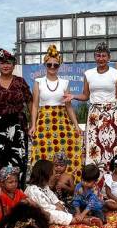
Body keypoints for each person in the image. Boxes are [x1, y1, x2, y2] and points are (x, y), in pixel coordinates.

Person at [68, 43, 117, 171]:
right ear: (95, 57)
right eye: (98, 55)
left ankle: (113, 175)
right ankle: (93, 177)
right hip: (94, 114)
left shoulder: (116, 74)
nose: (101, 58)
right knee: (93, 145)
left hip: (111, 113)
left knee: (113, 144)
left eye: (104, 56)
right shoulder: (88, 74)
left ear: (109, 57)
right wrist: (73, 96)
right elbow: (86, 96)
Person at [29, 45, 83, 180]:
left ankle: (69, 181)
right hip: (44, 120)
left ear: (59, 66)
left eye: (55, 65)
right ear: (45, 64)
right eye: (49, 64)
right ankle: (42, 181)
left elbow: (69, 106)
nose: (52, 67)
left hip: (61, 120)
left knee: (68, 147)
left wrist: (76, 125)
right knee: (42, 150)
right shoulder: (38, 82)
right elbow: (35, 105)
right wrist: (33, 125)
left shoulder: (65, 83)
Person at [0, 48, 33, 186]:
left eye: (8, 63)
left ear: (14, 65)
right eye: (2, 63)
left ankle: (18, 191)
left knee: (18, 158)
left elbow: (30, 102)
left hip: (18, 125)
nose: (5, 66)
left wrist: (33, 124)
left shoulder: (21, 82)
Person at [25, 159, 97, 226]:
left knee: (67, 207)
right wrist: (62, 211)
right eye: (52, 172)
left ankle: (78, 217)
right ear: (46, 175)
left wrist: (62, 208)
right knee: (54, 214)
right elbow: (46, 210)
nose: (54, 174)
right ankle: (80, 220)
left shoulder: (44, 186)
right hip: (45, 214)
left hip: (56, 209)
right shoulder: (33, 190)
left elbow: (55, 200)